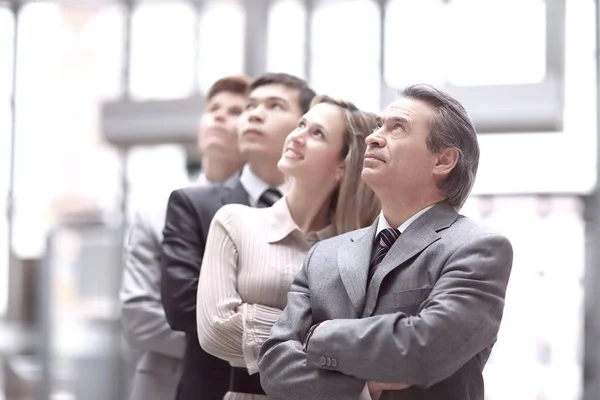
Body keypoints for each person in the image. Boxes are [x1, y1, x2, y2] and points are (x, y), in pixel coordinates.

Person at [258, 84, 514, 400]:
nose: (373, 137)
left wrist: (321, 337)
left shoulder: (479, 247)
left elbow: (424, 348)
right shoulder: (323, 254)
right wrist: (362, 386)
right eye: (380, 124)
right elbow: (273, 367)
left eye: (397, 128)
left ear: (443, 161)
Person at [196, 95, 380, 400]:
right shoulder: (234, 222)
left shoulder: (356, 254)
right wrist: (322, 334)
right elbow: (215, 331)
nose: (297, 136)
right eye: (301, 125)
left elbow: (366, 349)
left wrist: (254, 317)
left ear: (342, 165)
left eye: (317, 133)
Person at [160, 73, 316, 400]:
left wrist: (247, 312)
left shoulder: (326, 211)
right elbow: (184, 306)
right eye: (250, 106)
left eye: (274, 106)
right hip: (216, 389)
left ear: (306, 125)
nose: (254, 114)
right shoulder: (194, 205)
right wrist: (319, 334)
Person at [119, 75, 250, 400]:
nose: (220, 115)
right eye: (213, 108)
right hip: (166, 385)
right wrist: (235, 340)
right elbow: (139, 320)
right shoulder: (156, 212)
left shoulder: (272, 210)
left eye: (235, 111)